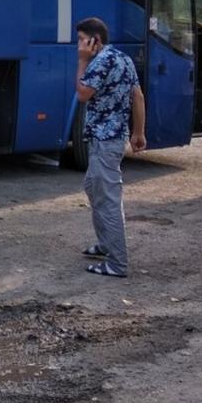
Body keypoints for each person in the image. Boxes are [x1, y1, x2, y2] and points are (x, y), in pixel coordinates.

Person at [74, 16, 146, 279]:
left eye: (82, 39)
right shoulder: (123, 58)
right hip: (112, 139)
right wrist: (138, 132)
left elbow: (82, 94)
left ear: (95, 40)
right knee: (94, 188)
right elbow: (137, 95)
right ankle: (105, 245)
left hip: (105, 142)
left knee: (108, 201)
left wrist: (82, 60)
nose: (79, 45)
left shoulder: (100, 61)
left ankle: (117, 263)